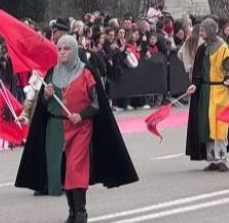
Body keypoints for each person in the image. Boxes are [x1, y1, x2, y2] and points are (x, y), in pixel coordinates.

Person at [15, 35, 138, 223]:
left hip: (81, 127)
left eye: (66, 49)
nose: (62, 52)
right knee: (64, 171)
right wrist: (47, 96)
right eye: (60, 49)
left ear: (74, 51)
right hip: (58, 128)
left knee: (75, 169)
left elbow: (97, 103)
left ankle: (81, 212)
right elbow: (43, 106)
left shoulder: (87, 72)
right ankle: (72, 212)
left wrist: (81, 115)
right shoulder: (52, 73)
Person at [185, 18, 229, 172]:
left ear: (210, 30)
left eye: (202, 31)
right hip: (206, 92)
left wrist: (228, 78)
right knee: (206, 125)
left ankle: (221, 158)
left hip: (220, 90)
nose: (200, 33)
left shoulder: (223, 48)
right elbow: (199, 72)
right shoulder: (202, 49)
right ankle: (212, 158)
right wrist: (195, 84)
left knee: (220, 125)